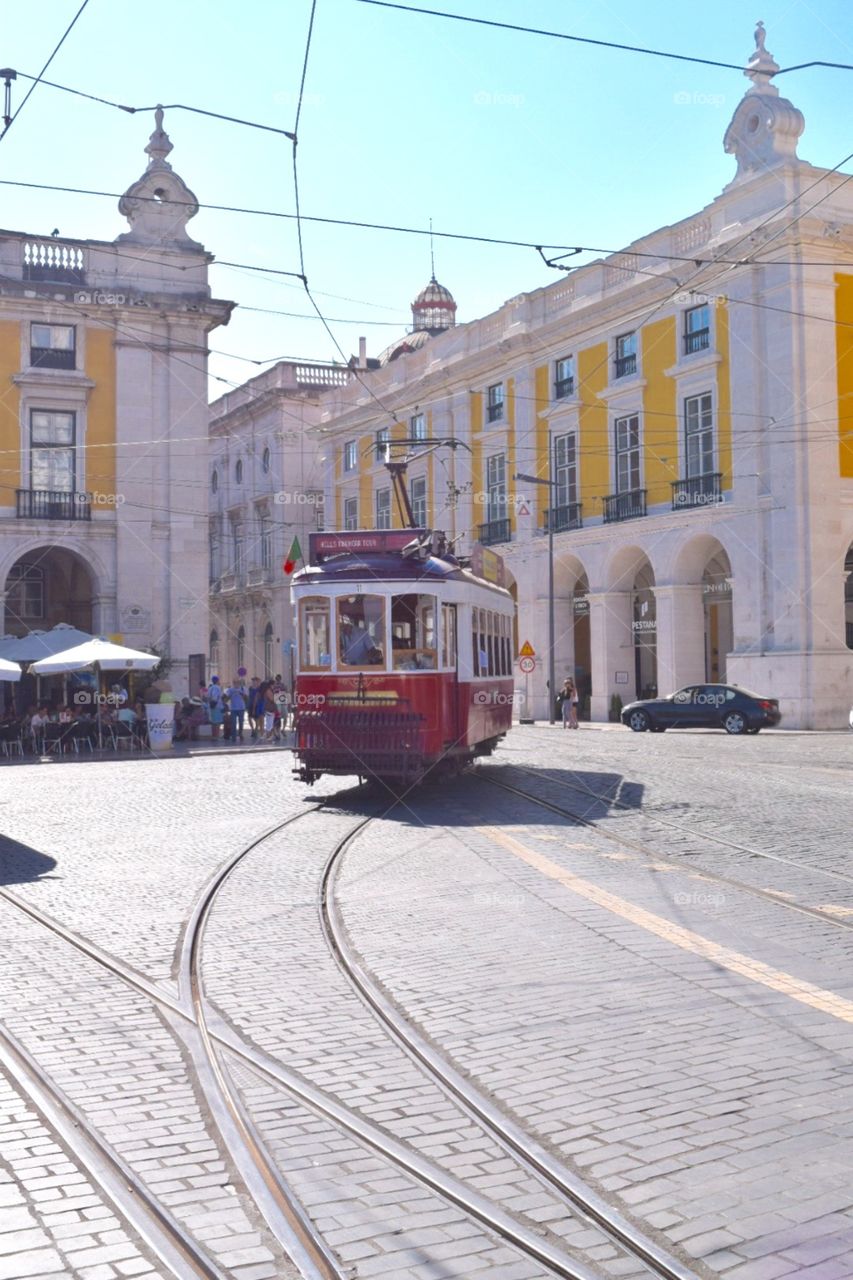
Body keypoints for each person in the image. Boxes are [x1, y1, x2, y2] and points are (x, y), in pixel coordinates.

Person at [225, 678, 247, 743]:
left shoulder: (243, 689)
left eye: (237, 682)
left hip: (241, 708)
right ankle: (234, 736)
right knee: (233, 723)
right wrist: (230, 695)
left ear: (239, 683)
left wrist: (242, 694)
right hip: (233, 709)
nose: (236, 684)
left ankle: (240, 733)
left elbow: (246, 698)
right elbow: (226, 698)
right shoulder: (230, 690)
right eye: (234, 682)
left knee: (241, 722)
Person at [205, 676, 224, 740]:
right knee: (217, 722)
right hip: (217, 706)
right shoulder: (217, 688)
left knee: (213, 722)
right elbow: (215, 696)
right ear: (217, 681)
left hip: (211, 706)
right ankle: (216, 735)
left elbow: (207, 696)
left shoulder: (210, 688)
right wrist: (215, 701)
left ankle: (213, 735)